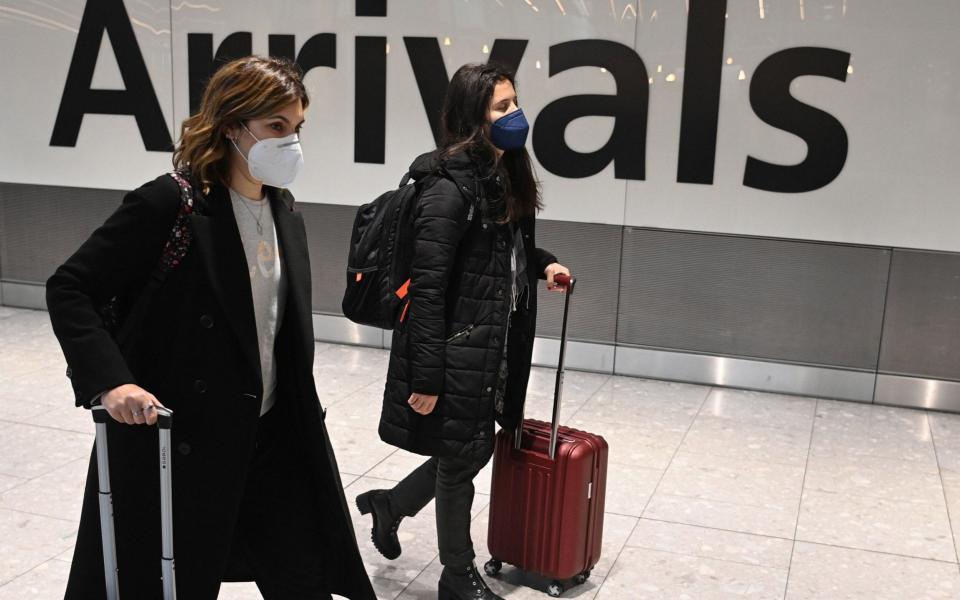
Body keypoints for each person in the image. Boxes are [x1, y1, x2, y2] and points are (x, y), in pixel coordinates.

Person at [47, 55, 375, 600]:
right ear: (230, 125)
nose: (290, 143)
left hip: (274, 435)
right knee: (175, 579)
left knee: (304, 575)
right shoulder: (167, 204)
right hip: (186, 443)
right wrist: (111, 380)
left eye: (296, 129)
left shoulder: (284, 210)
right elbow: (70, 287)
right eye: (276, 127)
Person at [356, 63, 571, 600]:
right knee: (461, 461)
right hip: (454, 348)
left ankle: (392, 505)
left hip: (488, 341)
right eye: (502, 107)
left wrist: (543, 264)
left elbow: (504, 252)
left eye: (514, 102)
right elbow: (427, 290)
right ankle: (458, 575)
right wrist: (424, 378)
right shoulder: (448, 190)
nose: (515, 115)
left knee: (473, 449)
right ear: (473, 118)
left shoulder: (501, 175)